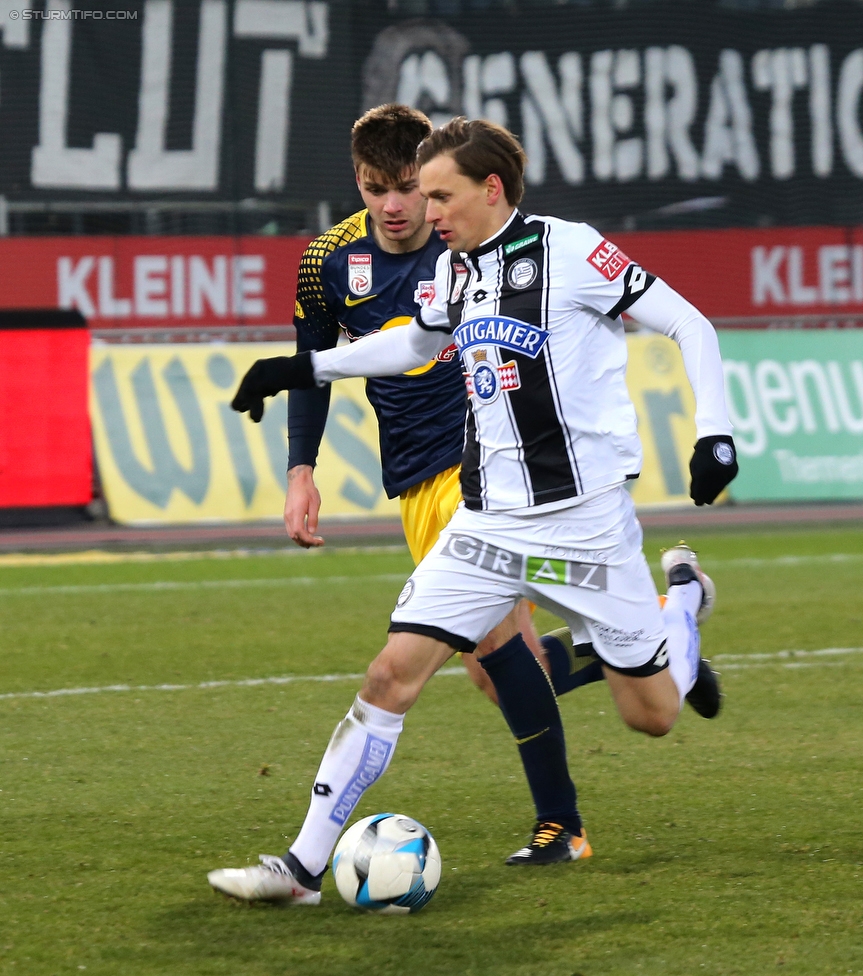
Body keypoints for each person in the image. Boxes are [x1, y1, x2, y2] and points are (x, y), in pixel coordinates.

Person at [210, 117, 737, 906]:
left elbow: (688, 321)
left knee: (652, 714)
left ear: (491, 189)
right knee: (391, 675)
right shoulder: (454, 270)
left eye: (440, 196)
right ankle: (300, 869)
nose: (428, 212)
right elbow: (417, 343)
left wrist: (716, 435)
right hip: (484, 521)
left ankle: (683, 611)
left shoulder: (571, 250)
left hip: (586, 523)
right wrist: (303, 365)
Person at [263, 103, 597, 870]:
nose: (395, 205)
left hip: (486, 466)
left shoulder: (470, 241)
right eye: (377, 187)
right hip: (415, 481)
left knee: (461, 654)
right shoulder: (327, 263)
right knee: (499, 671)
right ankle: (639, 641)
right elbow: (312, 371)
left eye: (410, 187)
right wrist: (301, 472)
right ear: (358, 180)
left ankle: (562, 824)